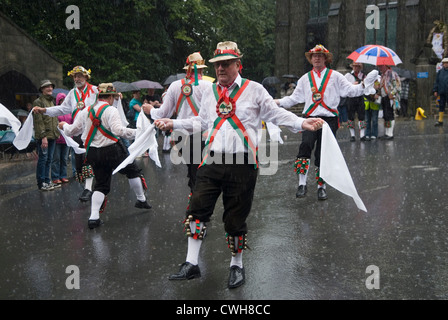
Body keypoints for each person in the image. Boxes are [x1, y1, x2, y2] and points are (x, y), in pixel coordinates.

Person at [154, 41, 325, 289]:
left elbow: (275, 115)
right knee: (197, 207)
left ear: (238, 65)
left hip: (243, 163)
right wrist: (174, 123)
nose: (221, 68)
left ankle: (236, 264)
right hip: (211, 159)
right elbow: (202, 122)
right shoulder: (210, 92)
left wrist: (301, 123)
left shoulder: (254, 90)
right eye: (218, 64)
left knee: (235, 218)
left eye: (226, 64)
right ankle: (191, 263)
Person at [275, 44, 378, 200]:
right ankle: (302, 184)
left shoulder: (336, 76)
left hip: (329, 119)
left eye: (320, 55)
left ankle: (321, 187)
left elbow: (351, 91)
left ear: (325, 59)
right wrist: (277, 102)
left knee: (323, 153)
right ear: (311, 59)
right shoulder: (304, 79)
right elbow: (293, 99)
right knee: (305, 146)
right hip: (309, 118)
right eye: (314, 56)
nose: (317, 58)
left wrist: (364, 85)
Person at [59, 83, 151, 229]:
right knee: (133, 171)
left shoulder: (85, 111)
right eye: (114, 97)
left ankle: (93, 218)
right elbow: (119, 131)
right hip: (112, 150)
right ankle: (141, 199)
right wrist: (138, 132)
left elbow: (71, 131)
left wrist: (63, 125)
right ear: (110, 97)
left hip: (93, 153)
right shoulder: (111, 110)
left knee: (101, 184)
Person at [142, 52, 211, 196]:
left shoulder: (174, 86)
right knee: (200, 173)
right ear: (202, 69)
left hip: (181, 136)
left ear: (187, 69)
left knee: (194, 170)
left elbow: (163, 114)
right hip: (203, 135)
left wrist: (151, 110)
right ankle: (196, 206)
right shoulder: (209, 86)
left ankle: (195, 200)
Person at [33, 66, 98, 201]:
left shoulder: (95, 90)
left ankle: (89, 189)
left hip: (94, 130)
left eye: (79, 76)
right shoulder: (72, 93)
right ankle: (91, 187)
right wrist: (44, 110)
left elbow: (106, 102)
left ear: (86, 77)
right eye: (74, 76)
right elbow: (62, 109)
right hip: (78, 131)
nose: (76, 79)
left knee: (92, 159)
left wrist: (116, 97)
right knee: (82, 160)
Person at [32, 80, 61, 191]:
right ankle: (41, 182)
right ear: (42, 89)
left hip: (52, 135)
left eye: (51, 87)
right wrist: (43, 137)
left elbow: (54, 118)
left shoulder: (51, 102)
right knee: (43, 160)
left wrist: (57, 132)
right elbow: (39, 121)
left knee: (49, 159)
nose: (50, 89)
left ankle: (47, 181)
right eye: (47, 87)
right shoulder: (38, 102)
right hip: (44, 137)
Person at [51, 93, 71, 184]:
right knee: (56, 159)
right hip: (58, 139)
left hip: (67, 139)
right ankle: (55, 176)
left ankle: (63, 175)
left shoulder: (68, 111)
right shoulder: (56, 111)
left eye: (64, 100)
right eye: (61, 100)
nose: (63, 102)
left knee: (64, 158)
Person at [345, 62, 367, 141]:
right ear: (352, 67)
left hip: (360, 97)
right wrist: (352, 84)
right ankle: (352, 135)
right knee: (350, 117)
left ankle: (362, 135)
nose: (356, 68)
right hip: (351, 98)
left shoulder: (364, 76)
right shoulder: (348, 76)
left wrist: (363, 84)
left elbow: (367, 87)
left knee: (362, 116)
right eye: (355, 66)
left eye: (358, 66)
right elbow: (344, 85)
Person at [378, 64, 401, 138]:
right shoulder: (382, 75)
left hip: (390, 97)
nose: (380, 68)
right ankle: (387, 132)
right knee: (386, 115)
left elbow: (398, 85)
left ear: (385, 66)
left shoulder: (392, 74)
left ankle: (390, 134)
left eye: (381, 66)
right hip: (384, 97)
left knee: (390, 115)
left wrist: (392, 93)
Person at [364, 77, 382, 141]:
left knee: (374, 120)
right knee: (366, 120)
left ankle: (374, 134)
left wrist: (376, 89)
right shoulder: (366, 81)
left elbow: (379, 90)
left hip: (374, 105)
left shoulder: (377, 81)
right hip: (367, 105)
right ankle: (366, 134)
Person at [433, 57, 448, 126]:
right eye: (444, 63)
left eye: (447, 63)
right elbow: (437, 81)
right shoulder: (440, 72)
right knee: (441, 106)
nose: (445, 64)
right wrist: (435, 90)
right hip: (442, 91)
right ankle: (440, 120)